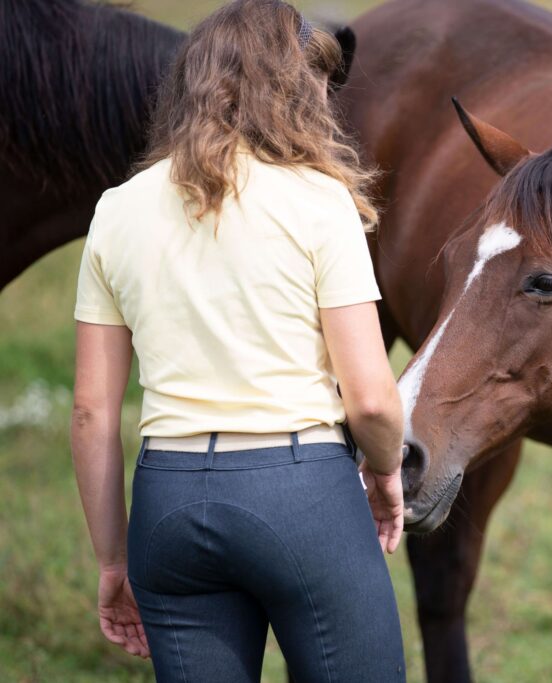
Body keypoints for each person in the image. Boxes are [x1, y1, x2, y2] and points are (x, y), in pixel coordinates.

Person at [69, 1, 406, 680]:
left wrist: (114, 560)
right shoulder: (320, 201)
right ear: (292, 88)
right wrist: (387, 471)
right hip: (301, 492)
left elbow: (91, 412)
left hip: (167, 501)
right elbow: (370, 397)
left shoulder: (118, 208)